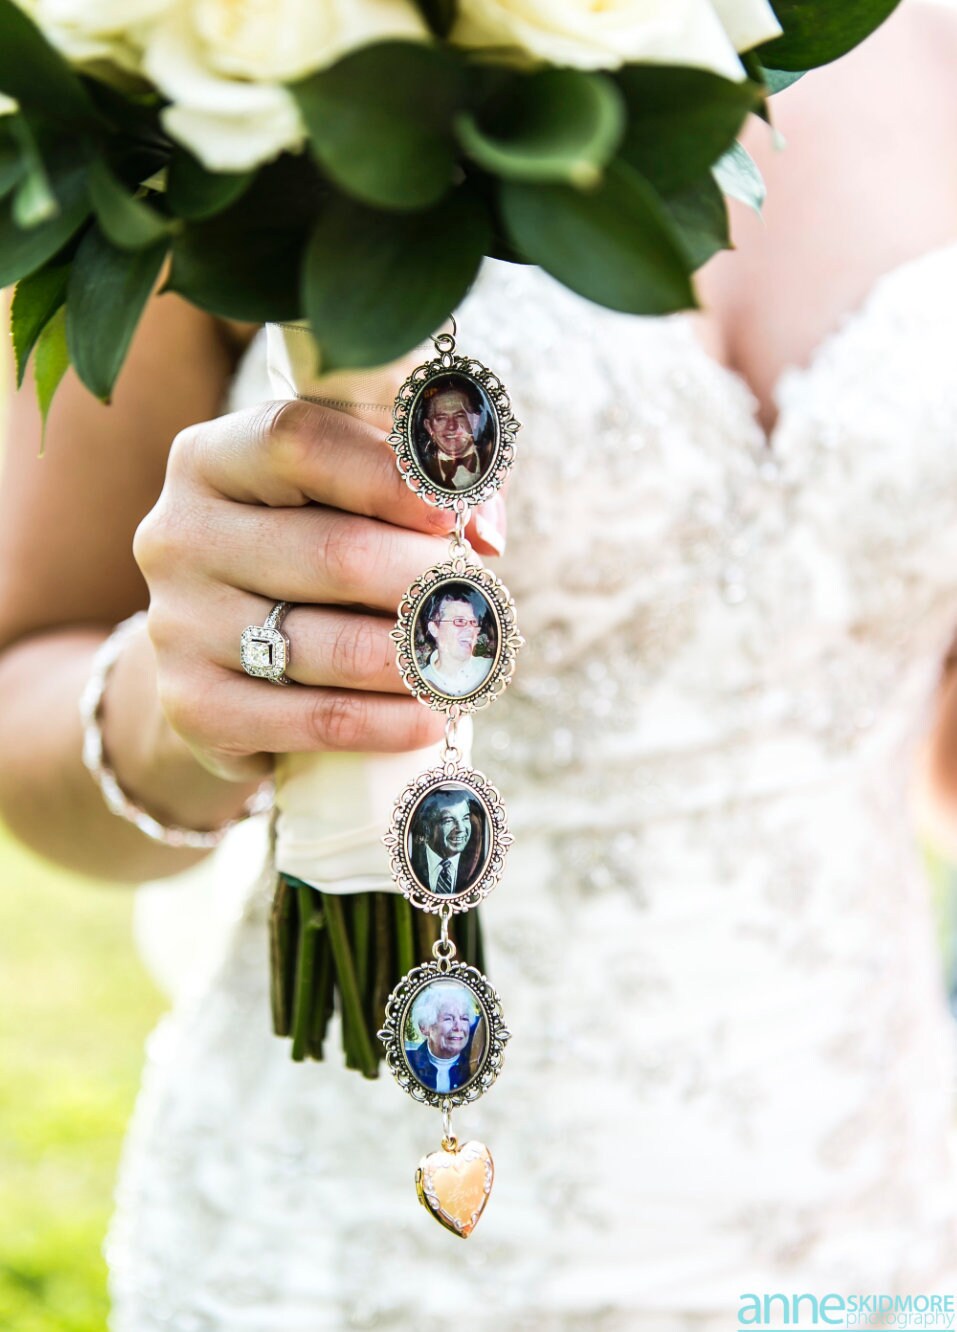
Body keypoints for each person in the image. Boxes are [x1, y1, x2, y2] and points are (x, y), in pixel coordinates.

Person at [3, 5, 957, 1327]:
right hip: (367, 1250)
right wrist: (191, 707)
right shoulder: (221, 39)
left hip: (869, 1227)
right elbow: (25, 669)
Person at [416, 376, 492, 490]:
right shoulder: (421, 467)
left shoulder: (490, 457)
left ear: (474, 421)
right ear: (429, 426)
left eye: (460, 416)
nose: (451, 426)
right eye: (441, 418)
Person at [418, 588, 493, 697]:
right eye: (460, 621)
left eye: (473, 622)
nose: (470, 629)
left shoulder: (489, 668)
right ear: (434, 628)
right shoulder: (422, 679)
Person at [405, 982, 479, 1092]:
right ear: (424, 1027)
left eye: (464, 1019)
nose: (458, 1027)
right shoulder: (409, 1062)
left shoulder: (473, 1065)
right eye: (448, 1019)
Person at [411, 788, 485, 895]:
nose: (461, 829)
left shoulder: (477, 865)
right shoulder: (412, 860)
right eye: (448, 820)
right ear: (427, 828)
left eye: (465, 818)